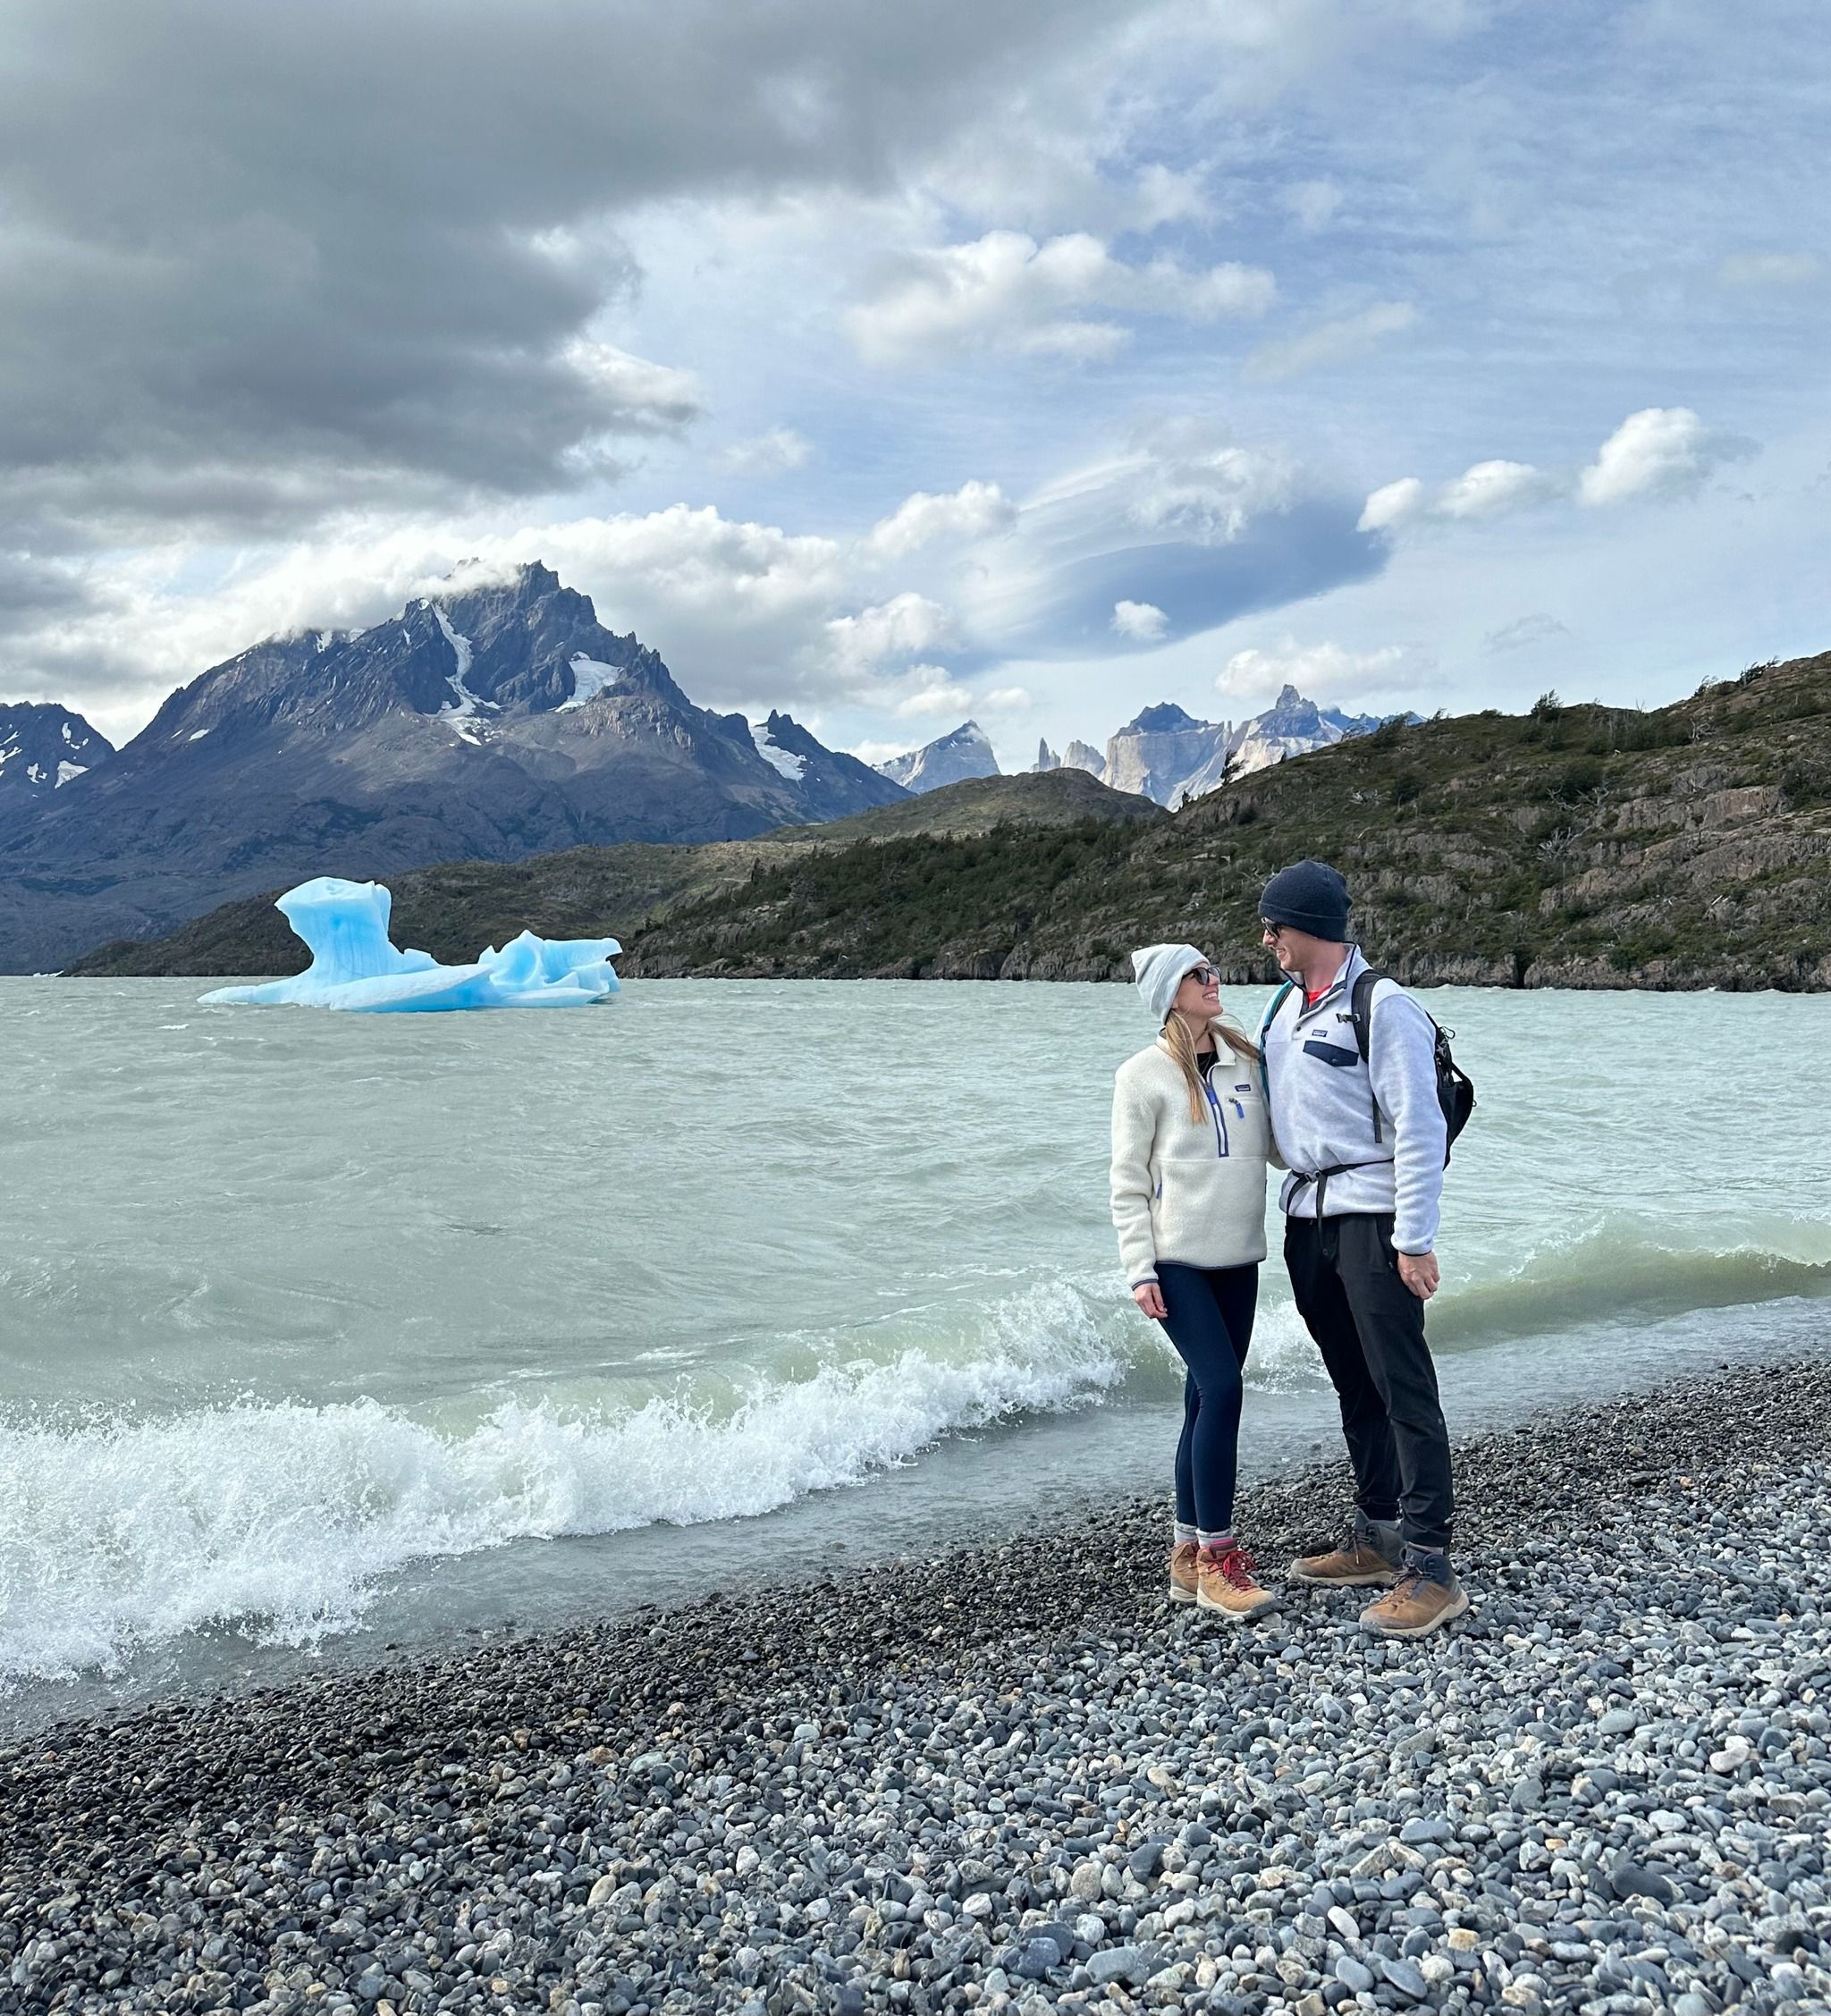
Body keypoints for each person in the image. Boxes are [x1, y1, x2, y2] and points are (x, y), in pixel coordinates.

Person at [1256, 860, 1466, 1638]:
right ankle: (1377, 1535)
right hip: (1307, 1220)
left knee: (1402, 1384)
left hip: (1373, 1221)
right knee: (1354, 1381)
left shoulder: (1385, 1007)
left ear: (1307, 926)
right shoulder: (1284, 1006)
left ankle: (1432, 1565)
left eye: (1274, 925)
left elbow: (1419, 1129)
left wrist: (1414, 1238)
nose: (1267, 938)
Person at [1110, 943, 1278, 1623]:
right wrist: (1139, 1269)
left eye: (1213, 971)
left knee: (1200, 1400)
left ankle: (1185, 1552)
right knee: (1223, 1388)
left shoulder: (1246, 1063)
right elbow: (1126, 1183)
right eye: (1199, 974)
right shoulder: (1141, 1076)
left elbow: (1279, 1145)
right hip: (1178, 1263)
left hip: (1240, 1258)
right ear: (1170, 992)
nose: (1216, 981)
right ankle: (1218, 1560)